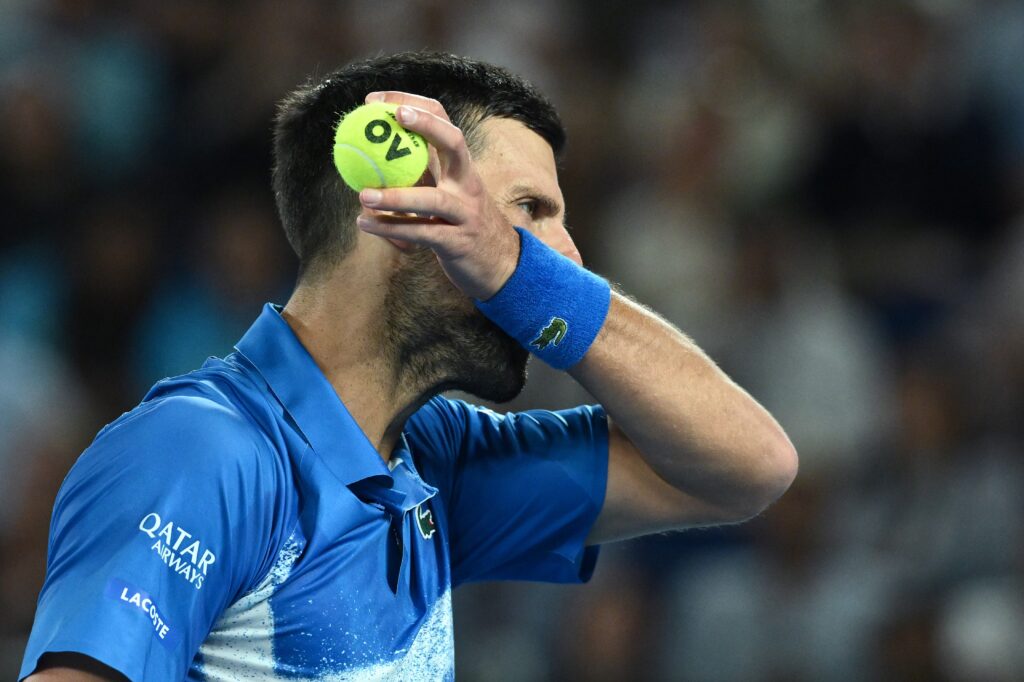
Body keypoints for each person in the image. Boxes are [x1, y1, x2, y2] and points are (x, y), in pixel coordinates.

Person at [20, 52, 797, 681]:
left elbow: (749, 466)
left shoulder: (440, 463)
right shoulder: (204, 450)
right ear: (400, 202)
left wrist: (525, 280)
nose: (567, 259)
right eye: (528, 211)